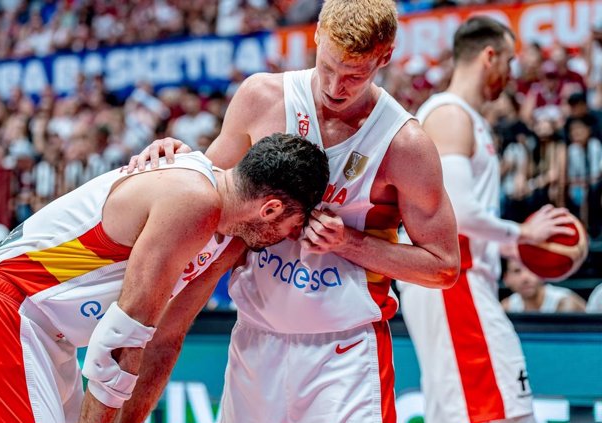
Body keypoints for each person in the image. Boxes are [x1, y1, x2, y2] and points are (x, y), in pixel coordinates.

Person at [124, 1, 460, 421]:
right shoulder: (261, 97)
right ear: (317, 34)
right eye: (328, 67)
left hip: (346, 351)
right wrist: (176, 166)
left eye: (354, 75)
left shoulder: (406, 143)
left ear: (385, 57)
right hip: (255, 338)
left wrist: (349, 242)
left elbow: (444, 267)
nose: (335, 87)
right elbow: (211, 196)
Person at [0, 133, 330, 423]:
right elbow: (120, 342)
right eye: (293, 225)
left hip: (49, 332)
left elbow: (166, 338)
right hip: (5, 306)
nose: (290, 236)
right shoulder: (193, 200)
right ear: (270, 209)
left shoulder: (228, 234)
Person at [397, 17, 576, 423]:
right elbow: (457, 209)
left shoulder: (462, 117)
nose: (511, 75)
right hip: (452, 279)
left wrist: (516, 243)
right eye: (509, 63)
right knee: (504, 411)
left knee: (463, 411)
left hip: (458, 278)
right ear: (488, 56)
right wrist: (523, 234)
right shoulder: (449, 115)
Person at [502, 258, 586, 313]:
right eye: (517, 271)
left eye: (531, 268)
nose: (525, 278)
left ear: (542, 272)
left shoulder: (564, 303)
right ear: (506, 279)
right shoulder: (506, 308)